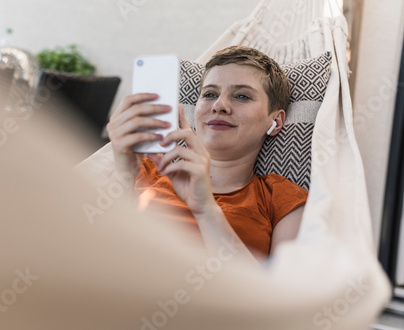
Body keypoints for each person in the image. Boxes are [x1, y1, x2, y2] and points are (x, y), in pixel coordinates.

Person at [106, 45, 308, 260]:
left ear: (275, 121)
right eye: (210, 94)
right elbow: (91, 258)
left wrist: (206, 210)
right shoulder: (141, 170)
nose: (220, 105)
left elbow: (279, 291)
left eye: (242, 96)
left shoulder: (282, 199)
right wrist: (124, 176)